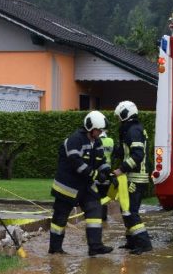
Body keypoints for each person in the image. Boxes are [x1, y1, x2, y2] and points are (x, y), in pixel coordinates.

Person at [49, 111, 112, 256]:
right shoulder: (75, 140)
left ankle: (95, 247)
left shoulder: (97, 142)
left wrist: (108, 173)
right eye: (99, 129)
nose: (101, 132)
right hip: (67, 186)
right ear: (90, 127)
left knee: (95, 209)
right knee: (60, 217)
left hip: (85, 185)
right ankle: (55, 249)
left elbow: (101, 161)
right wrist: (96, 174)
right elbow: (76, 163)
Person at [109, 100, 153, 254]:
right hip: (133, 177)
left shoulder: (133, 130)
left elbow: (138, 155)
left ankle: (143, 244)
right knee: (126, 210)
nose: (118, 120)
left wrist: (121, 169)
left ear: (125, 114)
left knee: (130, 211)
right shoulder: (131, 129)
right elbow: (125, 151)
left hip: (136, 178)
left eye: (119, 116)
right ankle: (132, 241)